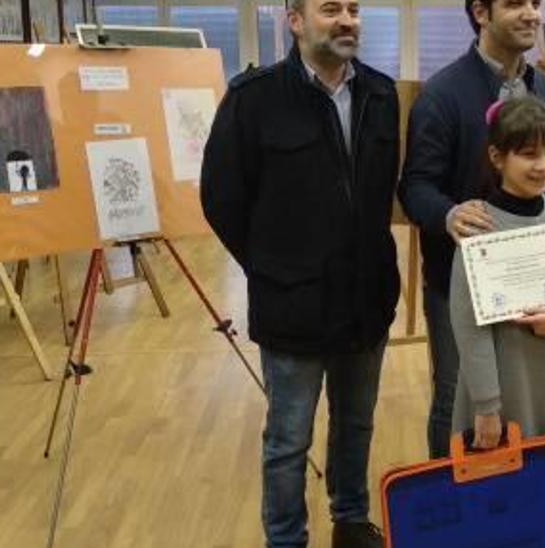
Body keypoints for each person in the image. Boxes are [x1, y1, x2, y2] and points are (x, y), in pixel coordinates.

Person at [199, 0, 401, 545]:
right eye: (331, 8)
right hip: (293, 303)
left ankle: (351, 520)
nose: (346, 20)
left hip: (367, 297)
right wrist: (272, 265)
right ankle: (286, 538)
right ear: (295, 21)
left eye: (354, 9)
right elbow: (220, 199)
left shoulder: (381, 96)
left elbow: (381, 195)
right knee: (288, 439)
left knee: (355, 424)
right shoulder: (253, 99)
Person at [398, 0, 545, 459]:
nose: (531, 14)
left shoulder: (543, 88)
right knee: (457, 403)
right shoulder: (442, 95)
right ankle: (445, 512)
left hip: (529, 283)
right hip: (458, 286)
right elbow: (415, 186)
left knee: (520, 400)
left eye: (535, 3)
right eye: (515, 4)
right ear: (481, 13)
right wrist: (448, 214)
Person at [450, 96, 545, 448]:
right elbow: (469, 324)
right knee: (496, 491)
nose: (544, 166)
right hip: (496, 387)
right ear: (498, 157)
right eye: (529, 154)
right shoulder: (477, 224)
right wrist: (486, 406)